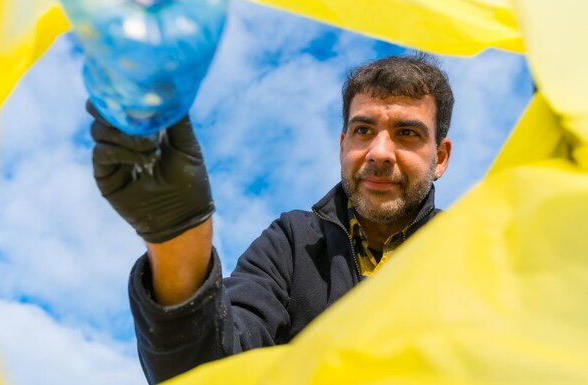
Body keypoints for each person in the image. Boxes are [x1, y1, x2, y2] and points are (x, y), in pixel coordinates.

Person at [89, 54, 453, 384]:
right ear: (342, 145)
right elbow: (212, 370)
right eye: (363, 131)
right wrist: (177, 237)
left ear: (439, 158)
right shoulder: (293, 242)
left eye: (407, 133)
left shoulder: (473, 256)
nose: (379, 152)